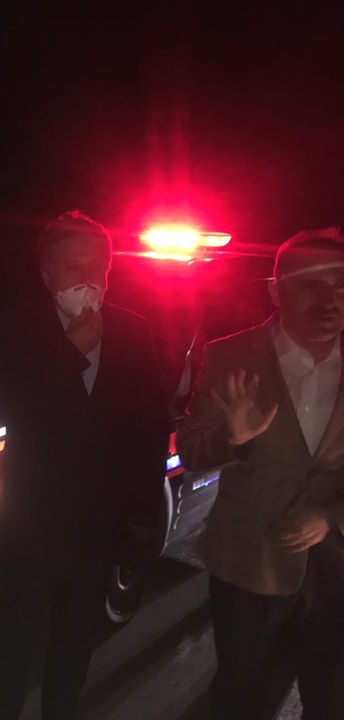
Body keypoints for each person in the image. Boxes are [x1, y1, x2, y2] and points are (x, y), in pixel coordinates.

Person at [0, 211, 168, 720]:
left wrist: (142, 516)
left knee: (77, 632)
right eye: (73, 266)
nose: (88, 279)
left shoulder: (133, 329)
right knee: (17, 629)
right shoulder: (17, 325)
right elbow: (9, 407)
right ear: (47, 274)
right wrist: (71, 353)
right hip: (32, 515)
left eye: (98, 267)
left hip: (98, 520)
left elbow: (148, 428)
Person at [178, 228, 344, 720]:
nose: (329, 299)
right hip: (249, 563)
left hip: (337, 569)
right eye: (310, 284)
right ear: (275, 290)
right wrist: (232, 438)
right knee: (242, 697)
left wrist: (330, 514)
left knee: (331, 698)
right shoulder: (231, 355)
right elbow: (190, 448)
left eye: (341, 285)